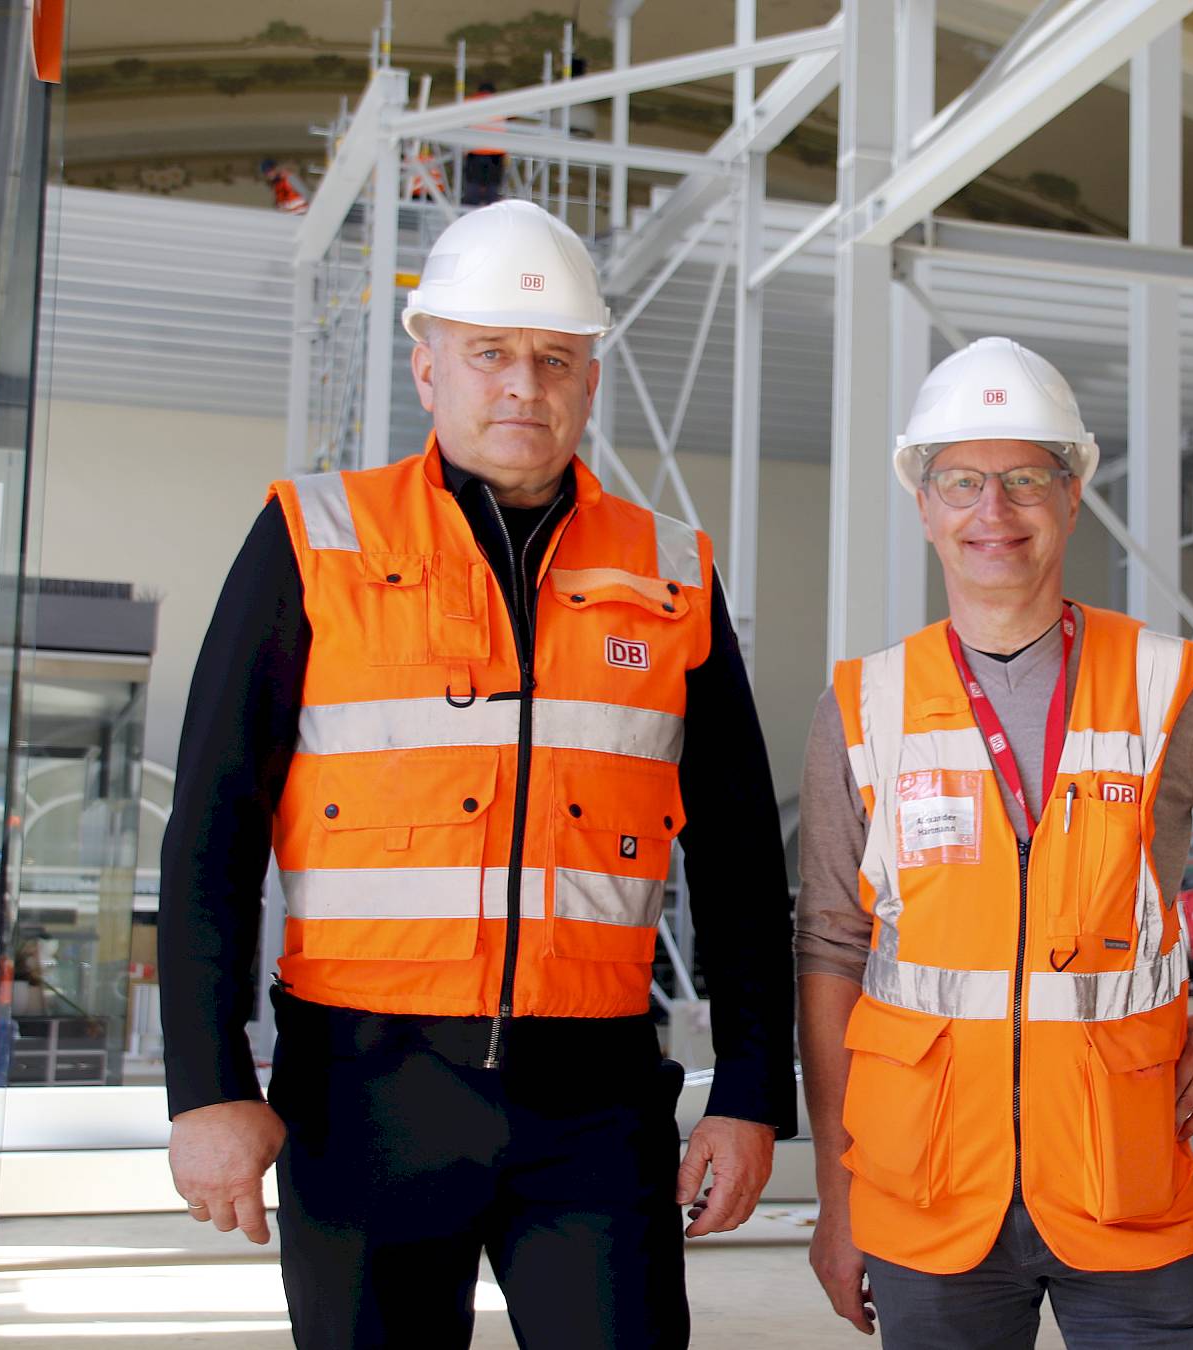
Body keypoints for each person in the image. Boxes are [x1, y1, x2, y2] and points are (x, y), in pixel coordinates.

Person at [160, 199, 797, 1348]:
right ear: (427, 369)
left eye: (554, 359)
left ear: (589, 382)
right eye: (489, 353)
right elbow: (211, 829)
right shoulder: (317, 540)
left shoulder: (668, 572)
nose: (523, 385)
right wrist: (206, 1086)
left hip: (593, 1097)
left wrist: (753, 1093)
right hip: (363, 1091)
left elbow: (744, 863)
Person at [794, 337, 1193, 1347]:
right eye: (962, 482)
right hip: (928, 1196)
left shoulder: (1169, 685)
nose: (993, 514)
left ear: (1072, 496)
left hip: (1128, 1191)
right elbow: (833, 953)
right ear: (923, 504)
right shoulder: (862, 706)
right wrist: (839, 1201)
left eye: (1024, 481)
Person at [461, 83, 507, 207]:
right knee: (492, 188)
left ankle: (469, 212)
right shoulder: (501, 103)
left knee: (473, 187)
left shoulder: (470, 102)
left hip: (475, 151)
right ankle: (491, 212)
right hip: (496, 152)